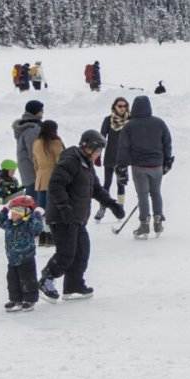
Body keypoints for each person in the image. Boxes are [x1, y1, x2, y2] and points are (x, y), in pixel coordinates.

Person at [38, 129, 122, 300]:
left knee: (82, 251)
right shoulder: (71, 160)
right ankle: (46, 279)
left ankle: (73, 285)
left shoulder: (86, 164)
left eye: (100, 151)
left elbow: (96, 189)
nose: (98, 154)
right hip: (63, 217)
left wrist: (112, 204)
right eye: (97, 150)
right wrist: (64, 207)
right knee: (66, 253)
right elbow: (55, 185)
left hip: (77, 217)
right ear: (87, 147)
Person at [123, 95, 172, 239]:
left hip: (139, 166)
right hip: (157, 165)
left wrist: (121, 165)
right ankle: (158, 220)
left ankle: (144, 223)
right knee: (156, 192)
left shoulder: (129, 125)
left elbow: (123, 147)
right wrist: (167, 160)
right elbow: (167, 143)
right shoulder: (159, 123)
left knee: (143, 195)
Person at [0, 193, 47, 312]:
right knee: (12, 281)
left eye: (18, 211)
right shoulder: (9, 224)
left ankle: (30, 299)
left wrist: (36, 214)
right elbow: (0, 221)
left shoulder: (28, 225)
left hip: (26, 259)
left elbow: (38, 227)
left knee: (28, 280)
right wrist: (5, 209)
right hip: (12, 259)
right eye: (13, 211)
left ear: (25, 213)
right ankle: (15, 299)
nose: (14, 213)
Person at [97, 96, 131, 222]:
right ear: (114, 107)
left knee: (120, 184)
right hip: (110, 156)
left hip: (123, 158)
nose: (122, 108)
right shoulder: (108, 120)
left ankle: (120, 208)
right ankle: (103, 207)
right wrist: (98, 154)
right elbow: (101, 137)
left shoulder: (130, 121)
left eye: (124, 106)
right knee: (107, 183)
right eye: (120, 106)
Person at [12, 100, 44, 200]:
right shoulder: (32, 129)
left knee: (31, 200)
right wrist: (41, 169)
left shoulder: (27, 125)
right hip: (33, 172)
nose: (42, 113)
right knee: (35, 203)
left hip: (27, 170)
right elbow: (34, 152)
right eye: (41, 110)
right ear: (36, 112)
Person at [31, 120, 64, 215]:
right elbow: (60, 161)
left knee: (41, 208)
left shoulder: (36, 143)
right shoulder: (56, 143)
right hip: (54, 177)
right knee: (52, 208)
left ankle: (41, 227)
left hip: (40, 179)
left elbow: (35, 162)